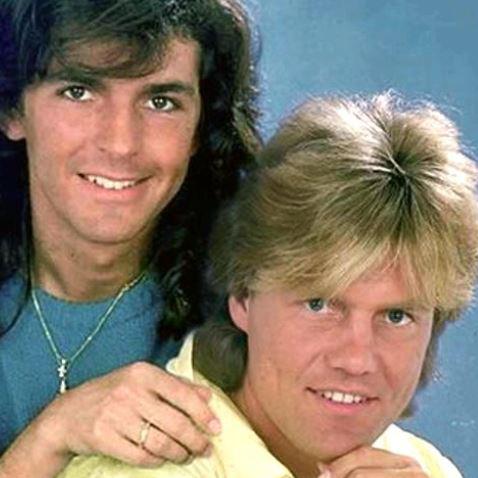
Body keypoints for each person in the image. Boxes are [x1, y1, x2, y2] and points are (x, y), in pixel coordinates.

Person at [60, 92, 477, 477]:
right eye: (319, 305)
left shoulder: (427, 468)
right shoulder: (139, 470)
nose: (356, 360)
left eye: (397, 316)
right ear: (243, 296)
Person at [0, 0, 260, 476]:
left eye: (160, 102)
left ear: (200, 128)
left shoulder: (251, 312)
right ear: (12, 110)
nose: (121, 143)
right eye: (79, 91)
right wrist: (51, 436)